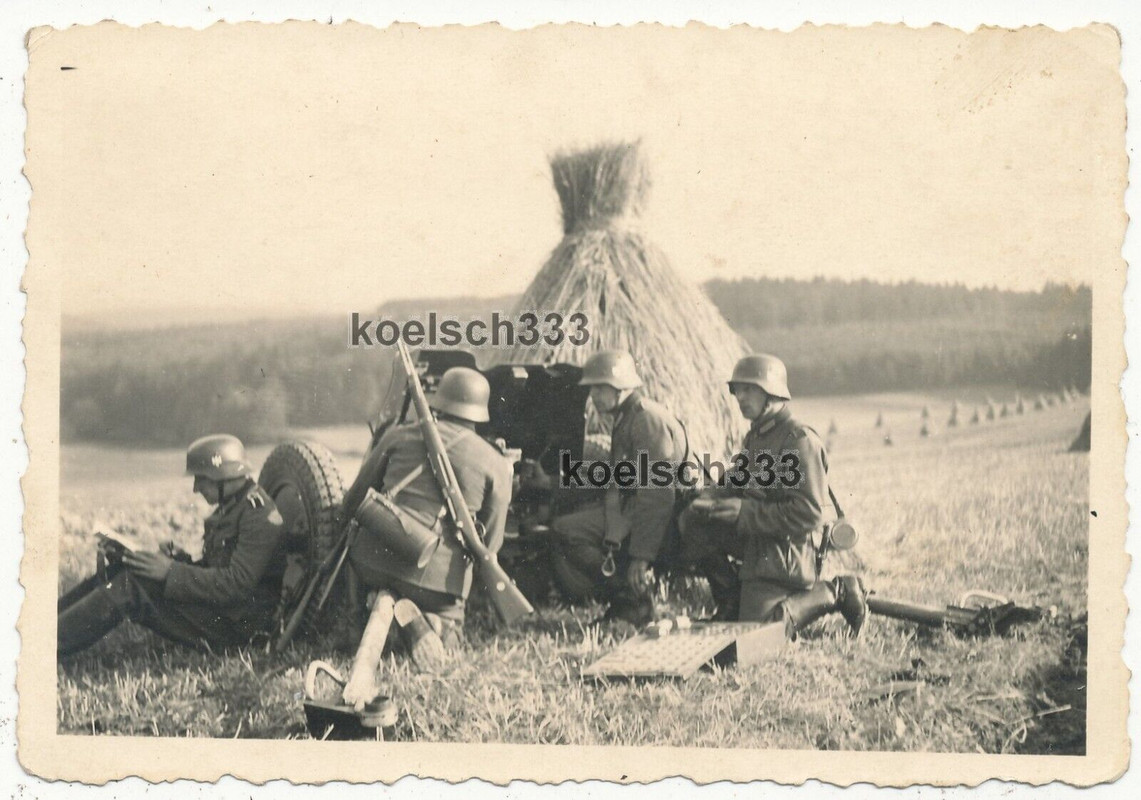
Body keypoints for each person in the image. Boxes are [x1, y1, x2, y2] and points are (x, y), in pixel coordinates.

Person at [340, 366, 513, 707]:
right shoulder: (495, 463)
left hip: (374, 561)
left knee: (376, 583)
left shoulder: (397, 436)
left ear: (440, 402)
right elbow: (490, 545)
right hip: (436, 582)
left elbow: (355, 499)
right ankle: (429, 623)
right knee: (446, 636)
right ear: (480, 412)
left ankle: (378, 604)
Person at [677, 354, 867, 636]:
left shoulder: (795, 441)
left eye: (749, 389)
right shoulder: (758, 437)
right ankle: (732, 599)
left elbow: (808, 513)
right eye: (737, 390)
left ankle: (835, 591)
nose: (740, 397)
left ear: (772, 391)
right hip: (760, 542)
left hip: (786, 554)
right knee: (693, 521)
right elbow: (736, 479)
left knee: (756, 637)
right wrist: (710, 498)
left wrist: (745, 512)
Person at [57, 434, 287, 656]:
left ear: (224, 476)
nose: (196, 488)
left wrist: (170, 572)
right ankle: (47, 624)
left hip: (237, 627)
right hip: (224, 612)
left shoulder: (258, 515)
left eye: (202, 479)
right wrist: (179, 560)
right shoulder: (233, 506)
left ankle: (50, 645)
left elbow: (236, 585)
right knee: (128, 568)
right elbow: (217, 568)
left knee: (131, 585)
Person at [549, 350, 688, 626]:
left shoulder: (646, 420)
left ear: (622, 387)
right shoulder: (628, 417)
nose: (594, 396)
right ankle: (627, 600)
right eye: (592, 389)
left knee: (568, 531)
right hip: (633, 510)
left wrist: (641, 556)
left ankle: (631, 598)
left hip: (661, 517)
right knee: (566, 527)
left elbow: (657, 494)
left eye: (601, 388)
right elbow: (617, 478)